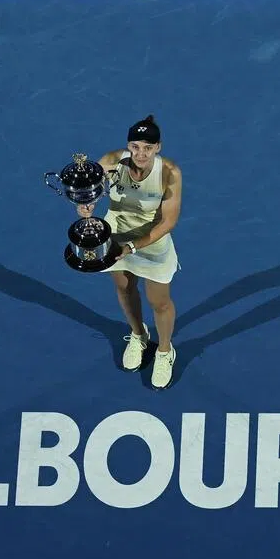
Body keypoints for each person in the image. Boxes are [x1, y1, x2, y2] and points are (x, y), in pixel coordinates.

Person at [77, 114, 182, 389]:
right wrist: (86, 204)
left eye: (148, 147)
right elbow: (91, 191)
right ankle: (138, 334)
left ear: (158, 147)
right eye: (135, 146)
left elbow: (168, 222)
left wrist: (133, 247)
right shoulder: (112, 160)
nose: (141, 153)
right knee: (124, 288)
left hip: (152, 241)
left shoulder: (169, 173)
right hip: (116, 235)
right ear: (128, 145)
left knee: (159, 302)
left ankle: (164, 350)